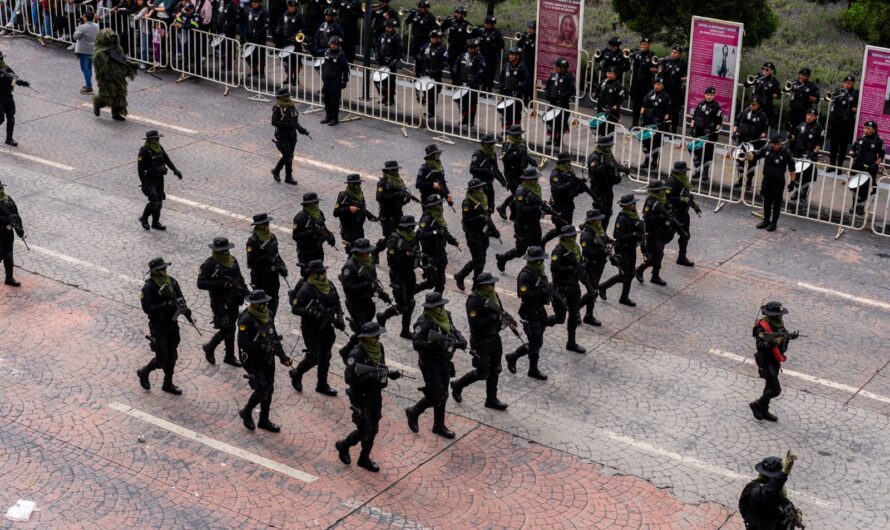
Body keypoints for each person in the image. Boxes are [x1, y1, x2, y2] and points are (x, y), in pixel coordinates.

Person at [335, 321, 401, 472]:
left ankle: (364, 458)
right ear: (365, 338)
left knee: (374, 428)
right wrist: (369, 376)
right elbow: (349, 378)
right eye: (374, 337)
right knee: (365, 429)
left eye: (378, 336)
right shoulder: (356, 354)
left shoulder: (379, 348)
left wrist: (389, 374)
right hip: (360, 396)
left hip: (375, 394)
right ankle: (344, 445)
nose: (378, 340)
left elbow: (380, 367)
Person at [405, 292, 467, 439]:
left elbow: (452, 330)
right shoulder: (424, 322)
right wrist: (435, 345)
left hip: (444, 361)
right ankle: (414, 411)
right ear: (430, 308)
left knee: (443, 394)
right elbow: (416, 343)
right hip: (430, 363)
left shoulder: (446, 316)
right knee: (436, 396)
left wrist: (461, 340)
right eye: (437, 307)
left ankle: (438, 425)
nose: (441, 309)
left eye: (441, 306)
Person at [450, 272, 509, 410]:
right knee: (483, 372)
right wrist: (494, 318)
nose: (493, 287)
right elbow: (475, 323)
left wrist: (505, 318)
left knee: (495, 370)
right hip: (481, 340)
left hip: (494, 337)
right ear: (482, 286)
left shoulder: (493, 295)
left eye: (493, 284)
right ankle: (458, 384)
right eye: (490, 284)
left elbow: (500, 310)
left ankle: (491, 399)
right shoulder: (474, 300)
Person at [237, 289, 294, 432]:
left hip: (267, 358)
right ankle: (246, 412)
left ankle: (264, 419)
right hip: (252, 360)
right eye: (263, 304)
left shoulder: (268, 315)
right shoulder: (246, 319)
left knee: (270, 387)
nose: (266, 306)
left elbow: (273, 336)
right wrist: (263, 347)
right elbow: (243, 343)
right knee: (262, 388)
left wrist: (282, 357)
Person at [504, 246, 562, 380]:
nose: (543, 262)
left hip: (539, 310)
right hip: (529, 312)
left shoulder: (539, 272)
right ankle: (514, 356)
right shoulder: (525, 275)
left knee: (537, 340)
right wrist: (543, 291)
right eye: (540, 260)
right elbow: (525, 296)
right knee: (536, 342)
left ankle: (532, 369)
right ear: (535, 261)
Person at [289, 259, 345, 395]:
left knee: (326, 356)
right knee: (314, 356)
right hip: (311, 328)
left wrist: (339, 318)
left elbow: (337, 303)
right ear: (312, 274)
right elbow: (295, 309)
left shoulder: (329, 285)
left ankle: (322, 384)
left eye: (323, 271)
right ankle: (297, 373)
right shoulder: (306, 289)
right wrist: (310, 312)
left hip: (327, 327)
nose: (323, 275)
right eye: (319, 273)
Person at [136, 257, 191, 395]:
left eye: (165, 268)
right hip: (158, 325)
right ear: (154, 272)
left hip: (172, 323)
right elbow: (147, 308)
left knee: (172, 355)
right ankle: (145, 371)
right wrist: (165, 305)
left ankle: (168, 383)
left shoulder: (172, 282)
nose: (165, 271)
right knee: (161, 359)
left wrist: (184, 309)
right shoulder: (149, 287)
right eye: (162, 269)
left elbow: (180, 298)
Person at [197, 237, 248, 367]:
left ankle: (229, 355)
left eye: (225, 250)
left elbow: (239, 278)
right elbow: (201, 283)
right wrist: (221, 284)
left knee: (231, 326)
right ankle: (210, 347)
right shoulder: (209, 264)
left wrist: (246, 292)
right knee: (227, 327)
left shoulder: (233, 261)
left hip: (234, 300)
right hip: (219, 302)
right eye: (221, 251)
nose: (224, 253)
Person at [496, 169, 556, 272]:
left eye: (536, 178)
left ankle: (537, 270)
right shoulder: (521, 192)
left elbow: (538, 202)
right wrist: (537, 208)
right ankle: (503, 258)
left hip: (534, 223)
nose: (536, 181)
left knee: (538, 248)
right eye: (533, 179)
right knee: (520, 251)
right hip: (523, 226)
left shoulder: (536, 188)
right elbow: (521, 209)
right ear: (527, 179)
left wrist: (545, 208)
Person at [749, 301, 799, 422]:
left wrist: (789, 336)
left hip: (774, 360)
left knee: (769, 386)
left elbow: (782, 335)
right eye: (779, 314)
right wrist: (772, 342)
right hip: (766, 360)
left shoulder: (778, 324)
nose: (781, 316)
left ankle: (764, 409)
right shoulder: (762, 327)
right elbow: (760, 347)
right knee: (776, 390)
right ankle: (756, 404)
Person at [385, 215, 431, 338]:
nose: (413, 229)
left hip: (410, 272)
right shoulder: (395, 239)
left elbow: (418, 251)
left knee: (410, 302)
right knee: (402, 306)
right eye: (411, 227)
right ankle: (383, 316)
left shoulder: (414, 237)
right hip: (398, 274)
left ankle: (405, 331)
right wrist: (406, 255)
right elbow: (391, 260)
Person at [597, 194, 644, 307]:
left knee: (631, 273)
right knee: (624, 274)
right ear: (626, 206)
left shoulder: (634, 215)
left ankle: (624, 297)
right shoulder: (622, 218)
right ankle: (603, 286)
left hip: (631, 248)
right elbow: (617, 235)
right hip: (622, 248)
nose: (634, 205)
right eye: (632, 204)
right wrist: (633, 234)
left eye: (634, 203)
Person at [454, 178, 500, 290]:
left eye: (481, 187)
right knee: (478, 260)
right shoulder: (467, 203)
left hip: (483, 234)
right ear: (473, 190)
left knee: (482, 260)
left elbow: (487, 218)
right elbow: (466, 221)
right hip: (473, 235)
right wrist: (479, 217)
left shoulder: (483, 199)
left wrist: (494, 231)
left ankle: (475, 283)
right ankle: (461, 275)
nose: (481, 189)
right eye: (478, 188)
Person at [340, 238, 394, 333]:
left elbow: (373, 281)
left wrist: (382, 294)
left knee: (368, 328)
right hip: (357, 304)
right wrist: (365, 285)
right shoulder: (350, 266)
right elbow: (347, 288)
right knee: (364, 332)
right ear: (358, 252)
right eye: (366, 251)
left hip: (368, 301)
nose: (368, 253)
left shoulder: (369, 262)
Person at [739, 452, 804, 530]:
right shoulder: (757, 492)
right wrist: (784, 474)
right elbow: (769, 492)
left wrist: (793, 514)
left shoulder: (769, 490)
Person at [246, 213, 288, 327]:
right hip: (260, 278)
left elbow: (276, 255)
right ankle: (260, 329)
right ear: (259, 226)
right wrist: (266, 258)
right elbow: (250, 263)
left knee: (274, 302)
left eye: (267, 223)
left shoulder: (272, 237)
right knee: (261, 305)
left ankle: (271, 328)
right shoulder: (253, 241)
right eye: (265, 224)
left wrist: (282, 266)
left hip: (272, 277)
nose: (267, 225)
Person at [747, 135, 796, 231]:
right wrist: (748, 154)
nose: (777, 146)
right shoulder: (766, 149)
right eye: (775, 144)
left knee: (776, 203)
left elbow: (792, 168)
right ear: (771, 144)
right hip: (767, 180)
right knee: (767, 201)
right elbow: (754, 157)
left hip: (778, 182)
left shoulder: (786, 152)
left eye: (779, 144)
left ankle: (774, 223)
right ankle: (766, 221)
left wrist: (792, 181)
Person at [550, 225, 587, 353]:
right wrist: (569, 269)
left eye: (575, 235)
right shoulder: (559, 250)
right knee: (560, 317)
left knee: (574, 314)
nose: (574, 238)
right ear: (565, 237)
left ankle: (571, 342)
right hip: (563, 287)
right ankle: (542, 324)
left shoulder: (575, 248)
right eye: (572, 236)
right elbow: (554, 268)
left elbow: (579, 261)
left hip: (574, 286)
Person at [137, 130, 183, 231]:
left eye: (158, 138)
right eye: (155, 139)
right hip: (150, 180)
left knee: (160, 201)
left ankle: (155, 222)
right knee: (154, 201)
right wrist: (144, 184)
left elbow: (167, 160)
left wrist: (175, 170)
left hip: (159, 179)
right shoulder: (144, 151)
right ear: (149, 140)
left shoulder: (160, 148)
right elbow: (140, 170)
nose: (157, 140)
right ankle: (144, 218)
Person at [635, 180, 677, 286]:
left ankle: (655, 275)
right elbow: (647, 217)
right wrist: (662, 217)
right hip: (652, 232)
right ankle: (640, 269)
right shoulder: (651, 202)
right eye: (661, 190)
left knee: (660, 253)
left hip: (661, 231)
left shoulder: (662, 200)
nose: (663, 192)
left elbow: (668, 210)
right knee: (654, 255)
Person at [92, 28, 138, 121]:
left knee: (120, 95)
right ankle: (97, 104)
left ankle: (116, 113)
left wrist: (132, 65)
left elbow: (122, 59)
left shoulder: (117, 49)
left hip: (119, 77)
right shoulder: (100, 52)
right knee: (106, 96)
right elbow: (100, 68)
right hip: (107, 78)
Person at [418, 194, 460, 293]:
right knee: (431, 282)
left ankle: (437, 305)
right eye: (437, 204)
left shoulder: (439, 216)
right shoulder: (427, 219)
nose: (440, 206)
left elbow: (444, 231)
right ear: (431, 206)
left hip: (440, 253)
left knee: (441, 283)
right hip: (430, 254)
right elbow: (420, 235)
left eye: (440, 204)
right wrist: (435, 233)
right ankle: (413, 291)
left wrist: (453, 241)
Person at [544, 152, 589, 236]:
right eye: (567, 162)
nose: (569, 164)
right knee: (561, 230)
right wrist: (569, 184)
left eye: (570, 162)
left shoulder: (570, 171)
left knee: (567, 228)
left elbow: (573, 188)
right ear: (562, 163)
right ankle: (546, 241)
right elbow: (555, 189)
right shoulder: (556, 174)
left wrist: (579, 186)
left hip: (568, 203)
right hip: (559, 205)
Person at [271, 88, 310, 185]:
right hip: (283, 135)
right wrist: (287, 125)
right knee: (287, 155)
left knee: (290, 156)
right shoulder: (278, 108)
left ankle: (288, 177)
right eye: (285, 96)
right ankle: (276, 170)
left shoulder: (291, 106)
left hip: (292, 134)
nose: (287, 97)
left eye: (287, 95)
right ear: (280, 97)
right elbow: (274, 122)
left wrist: (302, 130)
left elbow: (295, 122)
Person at [665, 161, 700, 267]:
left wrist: (693, 204)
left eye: (685, 171)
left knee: (685, 235)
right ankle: (651, 251)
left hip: (683, 213)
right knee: (667, 236)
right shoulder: (671, 182)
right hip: (674, 213)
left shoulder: (683, 181)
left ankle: (682, 257)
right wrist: (681, 199)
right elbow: (667, 198)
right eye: (683, 172)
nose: (685, 173)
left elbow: (686, 194)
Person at [496, 125, 535, 218]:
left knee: (522, 190)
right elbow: (505, 160)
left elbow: (524, 154)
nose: (519, 136)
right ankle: (505, 207)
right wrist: (516, 153)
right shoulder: (507, 144)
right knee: (518, 192)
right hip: (512, 173)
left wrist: (531, 160)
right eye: (517, 135)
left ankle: (507, 208)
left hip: (521, 170)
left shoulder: (521, 142)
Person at [292, 192, 336, 273]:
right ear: (308, 204)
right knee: (308, 274)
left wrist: (330, 236)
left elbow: (323, 227)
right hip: (306, 253)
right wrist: (310, 232)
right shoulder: (300, 218)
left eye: (317, 202)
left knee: (319, 272)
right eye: (315, 203)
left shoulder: (319, 213)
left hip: (318, 250)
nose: (317, 204)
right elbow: (295, 236)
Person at [579, 209, 609, 327]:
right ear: (592, 221)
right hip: (591, 266)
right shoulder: (587, 234)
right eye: (598, 219)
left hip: (599, 265)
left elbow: (604, 239)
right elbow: (587, 252)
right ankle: (577, 312)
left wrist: (610, 241)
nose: (600, 221)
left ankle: (588, 315)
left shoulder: (598, 230)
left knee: (594, 290)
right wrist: (602, 251)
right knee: (592, 291)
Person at [848, 120, 885, 216]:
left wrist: (875, 165)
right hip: (858, 166)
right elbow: (852, 149)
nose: (866, 130)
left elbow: (881, 156)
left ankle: (861, 206)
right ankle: (854, 205)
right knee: (854, 186)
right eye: (865, 128)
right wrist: (853, 154)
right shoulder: (861, 138)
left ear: (874, 130)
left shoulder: (878, 141)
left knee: (868, 188)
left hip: (870, 168)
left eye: (869, 129)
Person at [586, 136, 624, 229]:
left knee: (608, 212)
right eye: (607, 146)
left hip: (608, 187)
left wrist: (622, 168)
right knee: (600, 212)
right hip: (598, 189)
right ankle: (591, 230)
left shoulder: (608, 155)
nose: (609, 148)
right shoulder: (595, 157)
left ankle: (603, 233)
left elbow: (613, 164)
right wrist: (604, 166)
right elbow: (595, 172)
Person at [786, 109, 823, 203]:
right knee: (797, 172)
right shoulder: (802, 125)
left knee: (807, 174)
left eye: (811, 115)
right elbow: (794, 136)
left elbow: (820, 143)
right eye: (807, 115)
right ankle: (797, 191)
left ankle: (804, 192)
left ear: (815, 117)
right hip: (799, 152)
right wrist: (790, 136)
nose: (809, 117)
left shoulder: (818, 127)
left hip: (810, 153)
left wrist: (814, 152)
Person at [687, 86, 723, 181]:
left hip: (709, 134)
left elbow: (719, 121)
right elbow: (694, 117)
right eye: (707, 94)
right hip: (699, 133)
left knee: (707, 154)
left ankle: (705, 172)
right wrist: (692, 127)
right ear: (704, 94)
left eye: (711, 95)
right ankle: (697, 170)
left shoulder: (716, 106)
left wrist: (715, 131)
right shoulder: (700, 104)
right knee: (696, 152)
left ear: (714, 95)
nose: (709, 97)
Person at [733, 98, 769, 188]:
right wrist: (734, 132)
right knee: (739, 159)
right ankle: (741, 179)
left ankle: (749, 181)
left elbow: (765, 130)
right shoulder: (745, 111)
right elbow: (737, 122)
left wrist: (762, 137)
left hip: (754, 143)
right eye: (750, 103)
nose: (751, 106)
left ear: (758, 105)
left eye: (753, 104)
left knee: (751, 162)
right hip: (742, 141)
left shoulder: (762, 115)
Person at [334, 173, 375, 247]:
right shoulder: (343, 195)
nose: (357, 186)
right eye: (354, 184)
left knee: (361, 249)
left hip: (359, 228)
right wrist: (348, 209)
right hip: (348, 230)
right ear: (349, 184)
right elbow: (336, 213)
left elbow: (362, 208)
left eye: (358, 183)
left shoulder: (360, 194)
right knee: (352, 252)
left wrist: (369, 216)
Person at [376, 160, 416, 239]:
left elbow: (403, 193)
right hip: (387, 214)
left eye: (396, 169)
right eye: (393, 170)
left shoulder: (399, 181)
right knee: (390, 237)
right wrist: (396, 194)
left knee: (400, 234)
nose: (395, 171)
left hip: (398, 213)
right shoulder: (383, 183)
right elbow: (379, 197)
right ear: (387, 171)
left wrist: (405, 199)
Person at [450, 39, 485, 127]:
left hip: (473, 85)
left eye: (472, 48)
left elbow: (481, 71)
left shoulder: (479, 58)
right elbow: (456, 64)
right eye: (469, 47)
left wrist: (473, 80)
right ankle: (464, 118)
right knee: (462, 102)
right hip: (462, 83)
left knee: (472, 103)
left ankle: (471, 121)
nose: (470, 49)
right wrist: (455, 70)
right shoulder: (463, 55)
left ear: (476, 48)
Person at [639, 76, 671, 170]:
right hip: (647, 121)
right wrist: (641, 116)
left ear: (662, 86)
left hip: (657, 124)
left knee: (656, 143)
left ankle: (654, 161)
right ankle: (646, 159)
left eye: (659, 84)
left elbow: (668, 112)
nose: (656, 86)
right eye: (655, 84)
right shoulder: (650, 93)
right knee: (646, 142)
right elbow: (643, 105)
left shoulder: (666, 96)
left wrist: (664, 121)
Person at [826, 75, 858, 171]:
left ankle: (839, 166)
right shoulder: (839, 91)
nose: (846, 85)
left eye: (849, 83)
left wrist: (853, 108)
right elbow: (830, 98)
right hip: (836, 121)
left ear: (853, 84)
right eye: (845, 83)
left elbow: (857, 107)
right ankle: (832, 165)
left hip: (846, 122)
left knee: (843, 145)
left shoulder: (855, 93)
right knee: (833, 144)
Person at [469, 134, 506, 212]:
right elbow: (472, 169)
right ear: (486, 144)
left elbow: (495, 170)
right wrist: (486, 170)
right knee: (481, 208)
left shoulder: (493, 154)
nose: (493, 146)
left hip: (489, 184)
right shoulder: (478, 154)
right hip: (479, 186)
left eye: (493, 144)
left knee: (490, 207)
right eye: (491, 144)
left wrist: (503, 182)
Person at [414, 29, 447, 118]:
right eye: (431, 37)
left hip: (435, 75)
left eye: (434, 38)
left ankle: (431, 111)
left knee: (433, 94)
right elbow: (418, 54)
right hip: (425, 73)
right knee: (425, 92)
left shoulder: (442, 48)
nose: (432, 39)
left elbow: (445, 63)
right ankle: (427, 108)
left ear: (439, 39)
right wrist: (420, 59)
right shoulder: (426, 46)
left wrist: (435, 71)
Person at [496, 47, 531, 130]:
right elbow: (501, 77)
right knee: (505, 114)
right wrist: (501, 86)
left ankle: (514, 134)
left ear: (518, 56)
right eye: (510, 54)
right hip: (506, 94)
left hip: (516, 96)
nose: (510, 56)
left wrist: (519, 86)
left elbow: (527, 81)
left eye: (513, 55)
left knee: (515, 115)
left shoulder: (522, 67)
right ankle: (505, 131)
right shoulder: (506, 65)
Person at [0, 51, 30, 147]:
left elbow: (14, 78)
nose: (1, 60)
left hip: (8, 96)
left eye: (1, 58)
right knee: (0, 119)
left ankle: (9, 139)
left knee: (11, 117)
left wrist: (21, 82)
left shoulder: (5, 68)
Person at [544, 58, 575, 145]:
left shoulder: (568, 77)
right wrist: (547, 94)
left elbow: (572, 90)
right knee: (550, 121)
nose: (555, 68)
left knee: (560, 122)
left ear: (563, 68)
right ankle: (551, 137)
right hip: (553, 103)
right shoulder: (553, 75)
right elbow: (547, 85)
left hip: (563, 104)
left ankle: (558, 139)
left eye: (557, 66)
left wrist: (563, 96)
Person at [320, 36, 349, 126]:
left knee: (334, 100)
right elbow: (315, 53)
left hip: (335, 81)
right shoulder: (326, 52)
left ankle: (334, 118)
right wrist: (309, 45)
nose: (333, 46)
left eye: (335, 44)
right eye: (332, 44)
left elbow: (345, 68)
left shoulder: (341, 54)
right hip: (327, 80)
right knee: (326, 99)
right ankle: (328, 116)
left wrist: (344, 81)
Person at [0, 180, 24, 287]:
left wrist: (19, 228)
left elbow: (16, 214)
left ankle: (9, 278)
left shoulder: (7, 199)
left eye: (1, 188)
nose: (2, 190)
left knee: (9, 255)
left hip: (8, 233)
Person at [275, 0, 305, 85]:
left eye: (293, 7)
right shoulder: (284, 14)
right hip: (285, 41)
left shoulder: (299, 16)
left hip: (295, 42)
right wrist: (278, 29)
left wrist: (295, 36)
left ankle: (296, 78)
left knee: (295, 61)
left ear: (296, 7)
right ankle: (289, 77)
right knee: (286, 60)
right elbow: (280, 24)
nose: (291, 8)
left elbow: (303, 29)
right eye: (289, 6)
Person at [629, 37, 657, 127]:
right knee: (636, 105)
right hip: (636, 84)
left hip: (646, 84)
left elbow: (656, 69)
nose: (643, 46)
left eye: (645, 44)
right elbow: (627, 55)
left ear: (649, 45)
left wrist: (650, 69)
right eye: (641, 44)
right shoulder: (637, 53)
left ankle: (643, 124)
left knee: (645, 105)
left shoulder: (652, 55)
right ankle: (634, 123)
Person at [659, 46, 687, 132]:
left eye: (675, 52)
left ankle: (673, 130)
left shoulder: (683, 63)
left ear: (680, 54)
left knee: (674, 111)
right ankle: (665, 129)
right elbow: (660, 71)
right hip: (666, 90)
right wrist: (660, 67)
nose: (673, 54)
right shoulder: (666, 61)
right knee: (665, 109)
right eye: (672, 52)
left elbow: (687, 76)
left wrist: (679, 79)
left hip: (676, 90)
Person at [73, 10, 99, 95]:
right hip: (93, 49)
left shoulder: (83, 27)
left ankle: (89, 87)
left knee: (84, 68)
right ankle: (88, 84)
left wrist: (78, 27)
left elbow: (75, 36)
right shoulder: (96, 26)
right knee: (89, 68)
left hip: (84, 50)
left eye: (83, 16)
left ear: (86, 18)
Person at [376, 19, 402, 107]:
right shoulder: (382, 36)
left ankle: (391, 99)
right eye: (387, 27)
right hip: (382, 61)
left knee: (390, 81)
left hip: (391, 62)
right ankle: (384, 97)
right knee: (382, 81)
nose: (388, 29)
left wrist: (395, 61)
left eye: (390, 27)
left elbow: (399, 51)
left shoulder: (396, 37)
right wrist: (377, 54)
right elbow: (377, 45)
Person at [593, 66, 625, 136]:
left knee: (609, 132)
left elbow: (621, 97)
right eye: (608, 73)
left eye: (611, 73)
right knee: (600, 130)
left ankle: (608, 145)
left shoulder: (618, 85)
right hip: (601, 110)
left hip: (611, 113)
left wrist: (616, 106)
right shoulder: (603, 82)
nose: (609, 75)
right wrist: (595, 94)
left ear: (615, 75)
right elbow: (596, 92)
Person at [748, 62, 781, 130]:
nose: (764, 71)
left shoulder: (775, 81)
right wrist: (750, 81)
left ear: (772, 71)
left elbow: (778, 95)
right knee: (750, 122)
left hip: (766, 106)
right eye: (763, 69)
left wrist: (772, 94)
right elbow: (746, 84)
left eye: (767, 70)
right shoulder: (758, 76)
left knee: (762, 125)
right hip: (755, 104)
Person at [474, 15, 503, 91]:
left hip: (491, 56)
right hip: (482, 55)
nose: (487, 25)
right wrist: (476, 29)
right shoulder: (482, 30)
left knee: (490, 73)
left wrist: (492, 45)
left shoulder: (497, 33)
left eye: (489, 24)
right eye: (486, 23)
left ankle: (489, 89)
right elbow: (472, 34)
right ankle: (483, 88)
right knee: (482, 72)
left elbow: (501, 44)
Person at [244, 0, 268, 77]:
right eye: (253, 2)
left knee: (260, 55)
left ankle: (261, 72)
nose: (254, 3)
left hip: (260, 37)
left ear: (259, 2)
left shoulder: (264, 12)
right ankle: (253, 70)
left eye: (256, 2)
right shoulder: (250, 11)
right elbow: (247, 22)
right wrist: (247, 33)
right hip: (251, 37)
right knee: (251, 55)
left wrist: (258, 33)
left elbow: (266, 24)